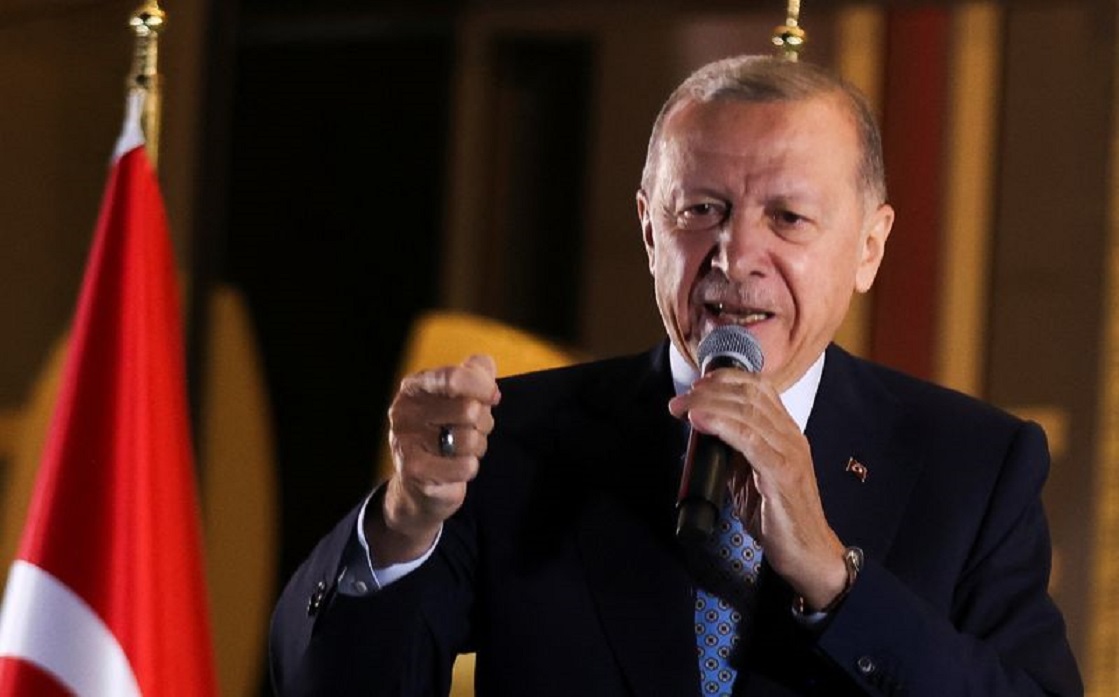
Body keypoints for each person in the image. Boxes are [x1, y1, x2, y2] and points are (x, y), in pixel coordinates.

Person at [269, 54, 1082, 696]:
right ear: (649, 230)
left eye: (787, 217)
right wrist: (404, 522)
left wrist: (833, 577)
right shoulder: (517, 440)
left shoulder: (973, 467)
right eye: (701, 210)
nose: (735, 255)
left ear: (868, 247)